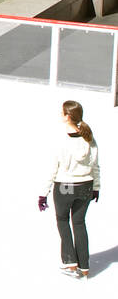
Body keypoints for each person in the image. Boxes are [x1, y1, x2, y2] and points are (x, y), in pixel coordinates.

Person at [39, 100, 101, 279]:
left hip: (65, 187)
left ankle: (70, 263)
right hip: (85, 186)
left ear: (67, 116)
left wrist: (44, 193)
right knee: (79, 223)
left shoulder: (61, 139)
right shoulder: (89, 137)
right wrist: (96, 187)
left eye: (62, 112)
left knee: (63, 220)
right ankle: (85, 267)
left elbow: (53, 167)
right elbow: (95, 165)